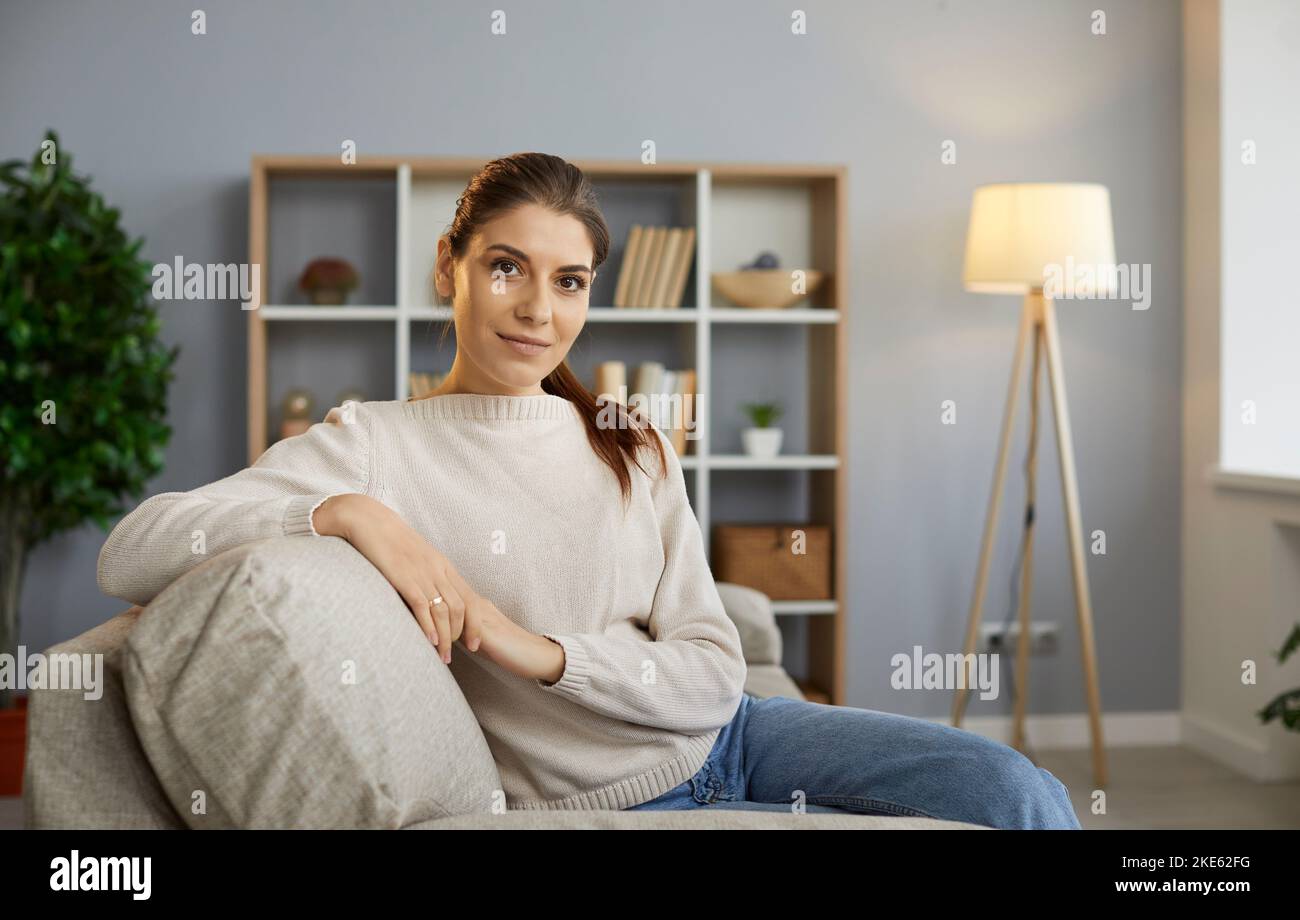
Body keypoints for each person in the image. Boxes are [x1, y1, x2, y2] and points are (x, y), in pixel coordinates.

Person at [97, 152, 1080, 829]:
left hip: (736, 737)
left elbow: (712, 666)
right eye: (507, 267)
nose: (537, 308)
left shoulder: (628, 439)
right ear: (451, 266)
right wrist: (347, 512)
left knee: (1011, 786)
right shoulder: (374, 444)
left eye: (569, 281)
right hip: (607, 798)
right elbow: (134, 545)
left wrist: (541, 651)